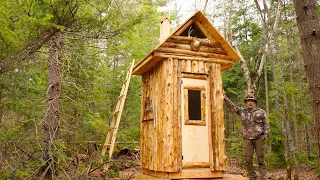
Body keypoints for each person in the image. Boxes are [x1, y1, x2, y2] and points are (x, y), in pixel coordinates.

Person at [224, 94, 270, 180]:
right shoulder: (242, 111)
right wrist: (225, 98)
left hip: (259, 138)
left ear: (254, 102)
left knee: (261, 159)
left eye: (252, 101)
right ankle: (252, 177)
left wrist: (265, 135)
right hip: (247, 139)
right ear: (246, 102)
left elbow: (266, 123)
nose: (250, 102)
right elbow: (232, 106)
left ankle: (263, 177)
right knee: (248, 160)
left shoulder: (261, 112)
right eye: (248, 101)